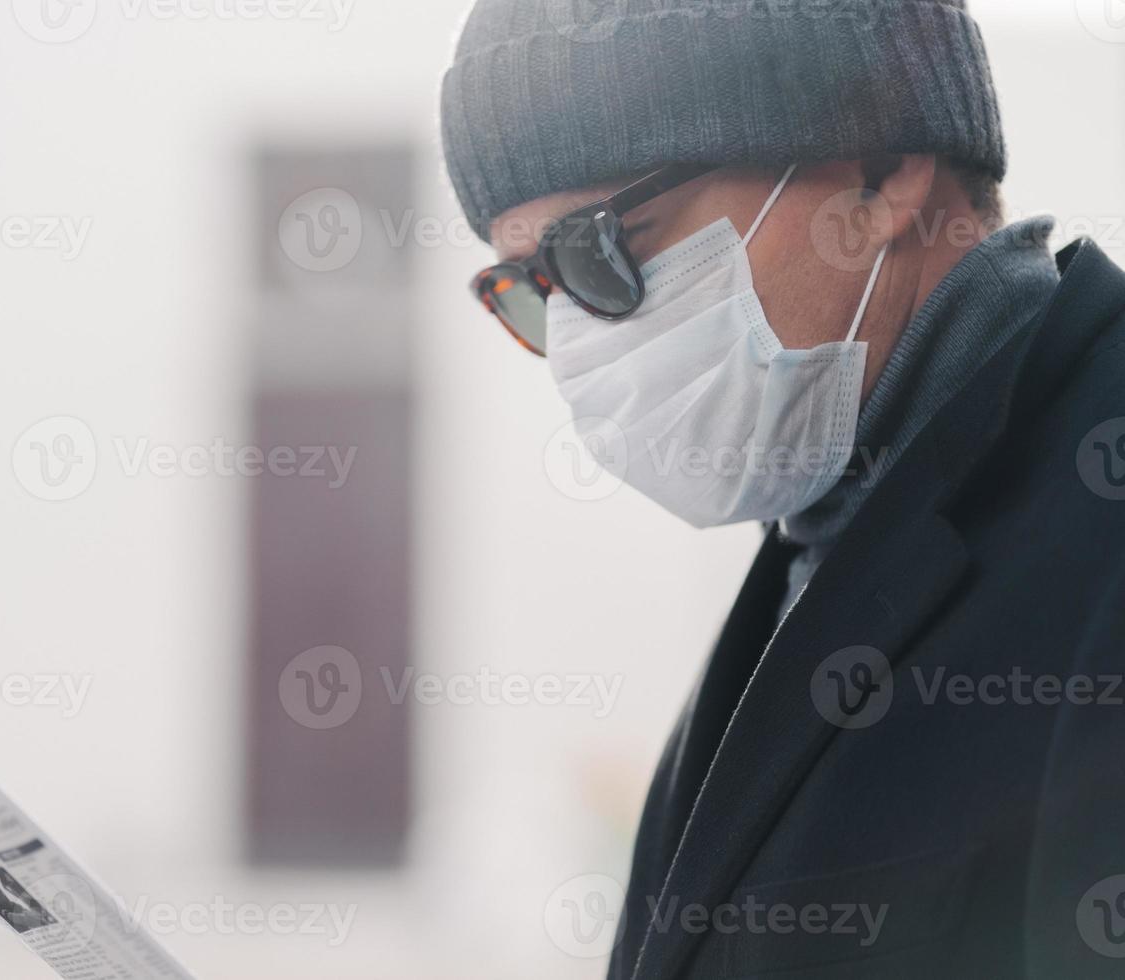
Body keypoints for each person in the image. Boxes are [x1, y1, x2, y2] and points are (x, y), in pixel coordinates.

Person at [439, 1, 1125, 976]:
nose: (579, 347)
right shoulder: (826, 530)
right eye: (530, 290)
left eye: (599, 250)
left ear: (880, 170)